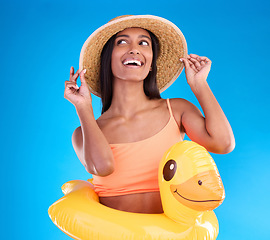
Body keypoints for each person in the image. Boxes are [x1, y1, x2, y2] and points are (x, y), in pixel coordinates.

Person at [64, 15, 235, 214]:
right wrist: (83, 108)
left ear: (152, 62)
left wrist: (199, 84)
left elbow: (223, 144)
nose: (134, 49)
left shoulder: (177, 110)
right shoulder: (83, 134)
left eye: (144, 43)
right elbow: (102, 167)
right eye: (122, 42)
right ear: (107, 59)